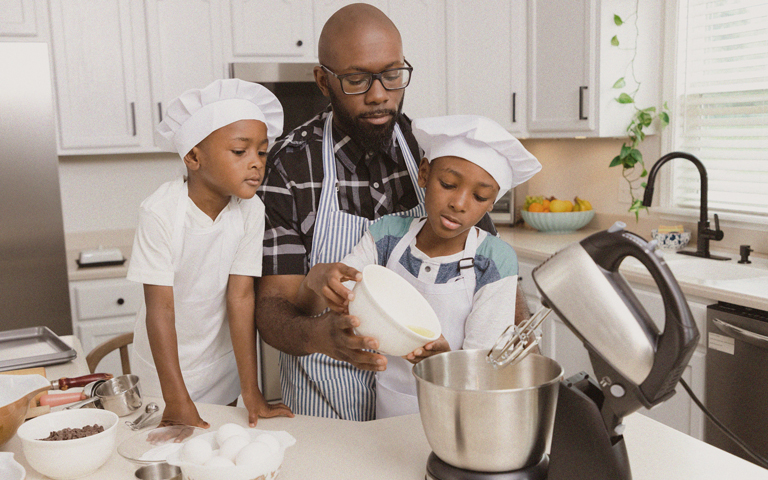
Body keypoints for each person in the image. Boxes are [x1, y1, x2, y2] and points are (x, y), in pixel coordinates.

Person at [255, 3, 527, 421]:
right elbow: (273, 309)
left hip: (423, 417)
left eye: (392, 74)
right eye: (356, 79)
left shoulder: (438, 154)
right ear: (323, 81)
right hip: (324, 413)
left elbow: (494, 275)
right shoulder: (291, 165)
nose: (379, 94)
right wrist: (321, 335)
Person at [296, 115, 541, 417]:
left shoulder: (495, 259)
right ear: (424, 173)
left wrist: (446, 362)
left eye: (479, 196)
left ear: (492, 203)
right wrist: (318, 277)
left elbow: (484, 367)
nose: (460, 203)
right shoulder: (387, 234)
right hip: (388, 407)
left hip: (460, 412)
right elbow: (342, 293)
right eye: (448, 184)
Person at [127, 79, 293, 428]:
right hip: (166, 374)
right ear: (193, 157)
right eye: (240, 151)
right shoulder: (161, 212)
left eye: (262, 152)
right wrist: (177, 399)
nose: (256, 164)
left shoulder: (251, 211)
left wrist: (252, 391)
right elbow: (161, 310)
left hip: (221, 365)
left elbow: (241, 297)